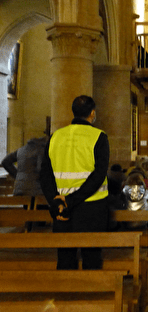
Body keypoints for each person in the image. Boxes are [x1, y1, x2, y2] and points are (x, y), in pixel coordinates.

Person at [40, 95, 110, 270]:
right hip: (92, 207)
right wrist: (71, 200)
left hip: (62, 209)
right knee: (92, 257)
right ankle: (90, 295)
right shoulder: (99, 137)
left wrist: (56, 201)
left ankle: (65, 295)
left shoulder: (56, 136)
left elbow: (44, 175)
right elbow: (98, 176)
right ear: (92, 113)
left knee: (65, 257)